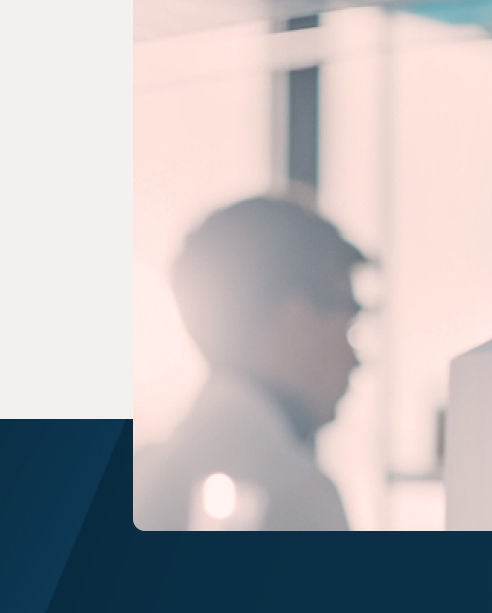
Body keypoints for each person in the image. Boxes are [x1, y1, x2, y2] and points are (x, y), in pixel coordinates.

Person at [135, 194, 366, 531]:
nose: (355, 359)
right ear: (296, 322)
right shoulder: (295, 494)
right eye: (347, 328)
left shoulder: (141, 474)